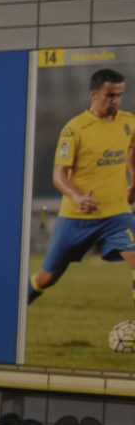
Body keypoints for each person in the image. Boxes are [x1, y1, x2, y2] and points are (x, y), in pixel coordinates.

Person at [28, 67, 135, 307]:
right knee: (47, 278)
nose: (116, 100)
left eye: (119, 95)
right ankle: (12, 308)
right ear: (94, 95)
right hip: (77, 217)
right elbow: (59, 174)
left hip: (117, 213)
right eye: (110, 95)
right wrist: (77, 197)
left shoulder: (128, 122)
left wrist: (133, 180)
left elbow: (132, 148)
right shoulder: (75, 129)